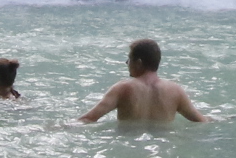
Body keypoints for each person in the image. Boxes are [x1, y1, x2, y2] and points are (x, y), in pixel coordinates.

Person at [79, 37, 210, 124]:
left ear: (139, 62)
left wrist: (61, 127)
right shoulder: (176, 91)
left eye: (129, 59)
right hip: (161, 150)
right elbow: (201, 121)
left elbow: (89, 119)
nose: (126, 63)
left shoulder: (123, 88)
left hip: (129, 147)